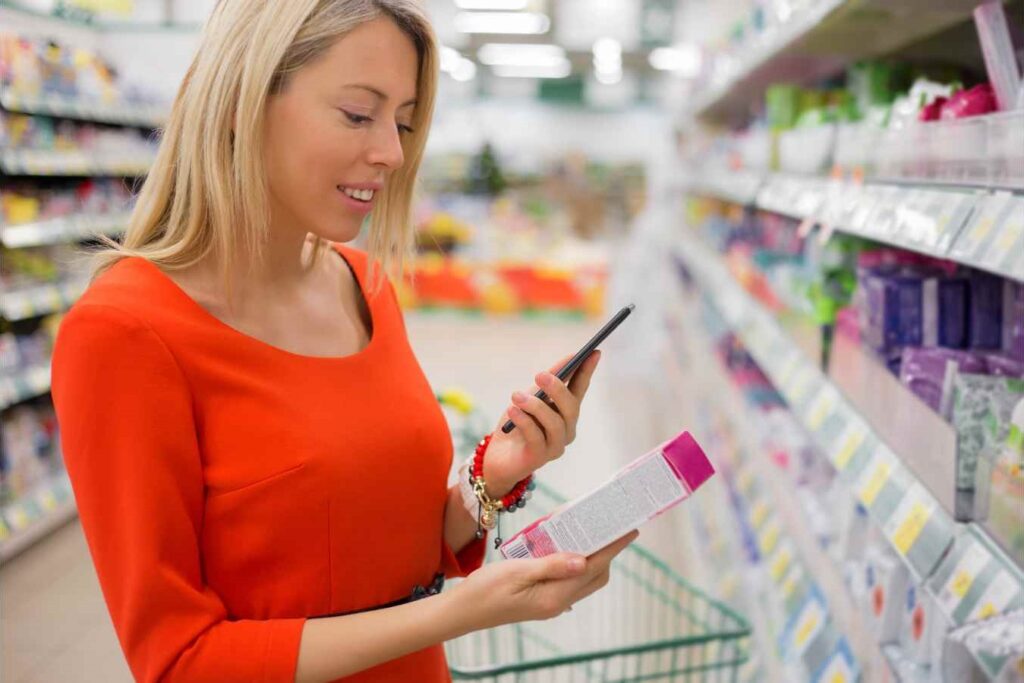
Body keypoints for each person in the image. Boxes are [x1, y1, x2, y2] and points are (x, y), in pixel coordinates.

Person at [50, 2, 636, 682]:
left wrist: (493, 476)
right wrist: (459, 613)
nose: (391, 150)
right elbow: (179, 659)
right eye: (359, 114)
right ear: (243, 99)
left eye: (405, 122)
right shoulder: (125, 333)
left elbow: (399, 548)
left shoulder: (364, 285)